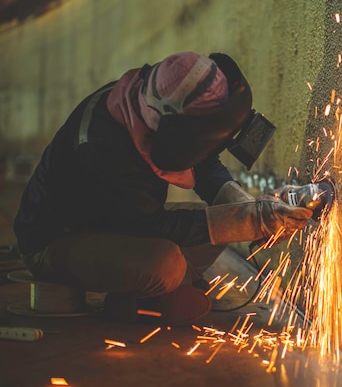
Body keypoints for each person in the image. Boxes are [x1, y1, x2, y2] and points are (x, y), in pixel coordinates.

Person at [13, 51, 313, 325]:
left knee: (225, 220)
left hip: (120, 223)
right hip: (57, 241)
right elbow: (149, 225)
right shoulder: (102, 147)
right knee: (165, 264)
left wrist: (249, 211)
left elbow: (204, 164)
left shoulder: (161, 100)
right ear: (175, 130)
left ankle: (154, 291)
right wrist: (251, 220)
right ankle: (141, 302)